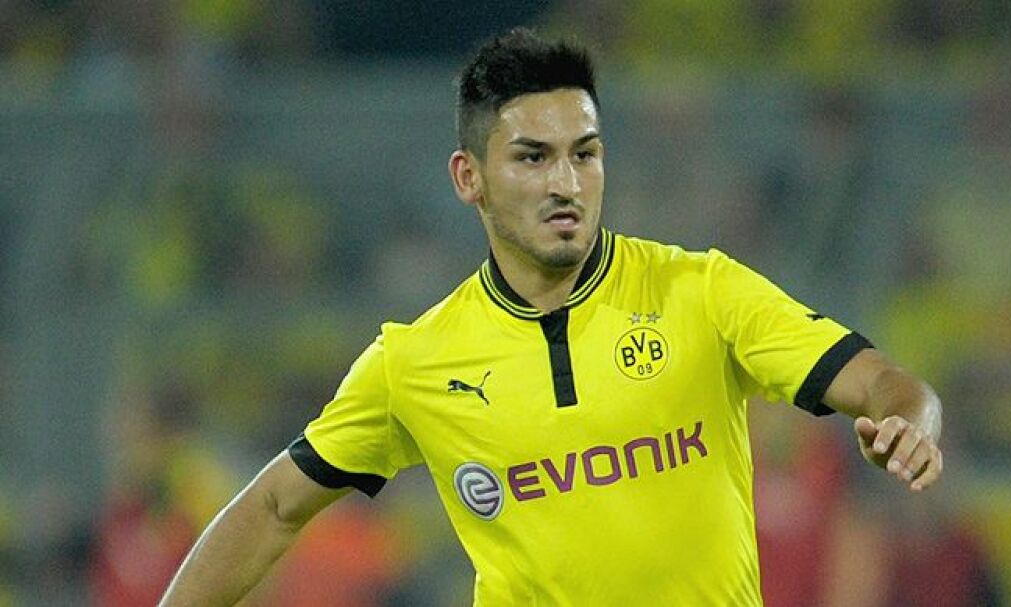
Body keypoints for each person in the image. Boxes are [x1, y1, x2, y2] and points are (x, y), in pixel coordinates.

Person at [160, 28, 943, 606]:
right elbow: (272, 506)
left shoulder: (701, 291)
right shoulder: (415, 362)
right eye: (532, 157)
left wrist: (911, 425)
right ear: (469, 177)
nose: (565, 182)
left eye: (585, 153)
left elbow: (885, 383)